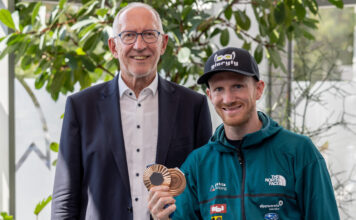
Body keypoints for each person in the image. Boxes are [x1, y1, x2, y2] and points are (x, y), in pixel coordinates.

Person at [51, 3, 212, 220]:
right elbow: (65, 199)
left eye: (149, 34)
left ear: (163, 43)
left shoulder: (193, 106)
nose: (139, 45)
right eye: (128, 35)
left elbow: (205, 192)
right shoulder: (81, 108)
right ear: (113, 46)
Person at [148, 47, 340, 220]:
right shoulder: (197, 164)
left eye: (238, 86)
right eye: (219, 89)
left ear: (258, 89)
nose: (228, 98)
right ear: (210, 96)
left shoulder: (299, 152)